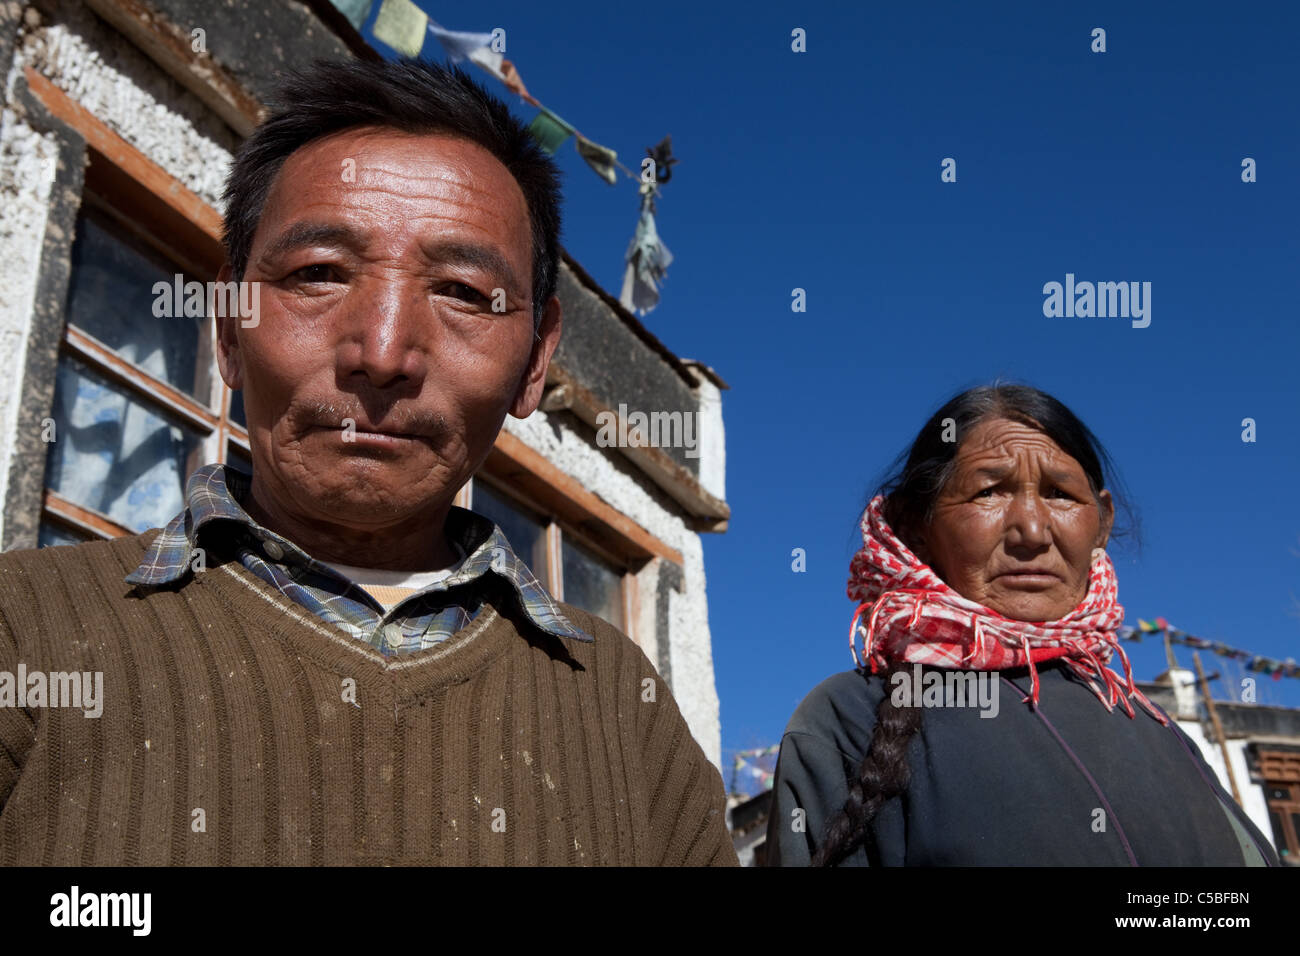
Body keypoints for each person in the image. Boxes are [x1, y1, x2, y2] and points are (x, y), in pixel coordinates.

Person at [0, 58, 736, 866]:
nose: (383, 353)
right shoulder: (26, 635)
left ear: (534, 362)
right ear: (227, 332)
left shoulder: (626, 712)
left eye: (461, 291)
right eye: (317, 274)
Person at [765, 384, 1277, 866]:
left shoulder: (1159, 733)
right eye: (989, 492)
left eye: (1060, 494)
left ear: (1101, 520)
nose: (1032, 531)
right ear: (915, 527)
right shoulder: (848, 722)